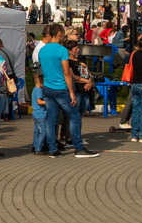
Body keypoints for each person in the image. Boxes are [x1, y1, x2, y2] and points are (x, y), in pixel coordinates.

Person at [39, 23, 98, 158]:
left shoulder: (43, 50)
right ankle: (79, 147)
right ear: (59, 34)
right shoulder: (62, 50)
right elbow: (67, 72)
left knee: (51, 118)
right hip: (60, 88)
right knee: (75, 116)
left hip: (47, 87)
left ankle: (52, 148)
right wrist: (71, 92)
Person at [30, 74, 48, 155]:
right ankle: (38, 148)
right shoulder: (39, 90)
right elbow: (39, 101)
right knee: (43, 132)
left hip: (36, 113)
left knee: (37, 131)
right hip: (40, 114)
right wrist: (48, 102)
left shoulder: (34, 89)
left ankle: (35, 145)